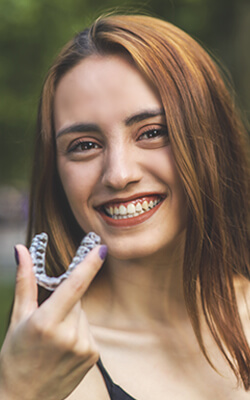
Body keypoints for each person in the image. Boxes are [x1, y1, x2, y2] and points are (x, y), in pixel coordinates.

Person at [0, 13, 249, 400]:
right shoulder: (51, 367)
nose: (118, 175)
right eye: (84, 144)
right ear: (55, 172)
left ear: (210, 141)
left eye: (152, 133)